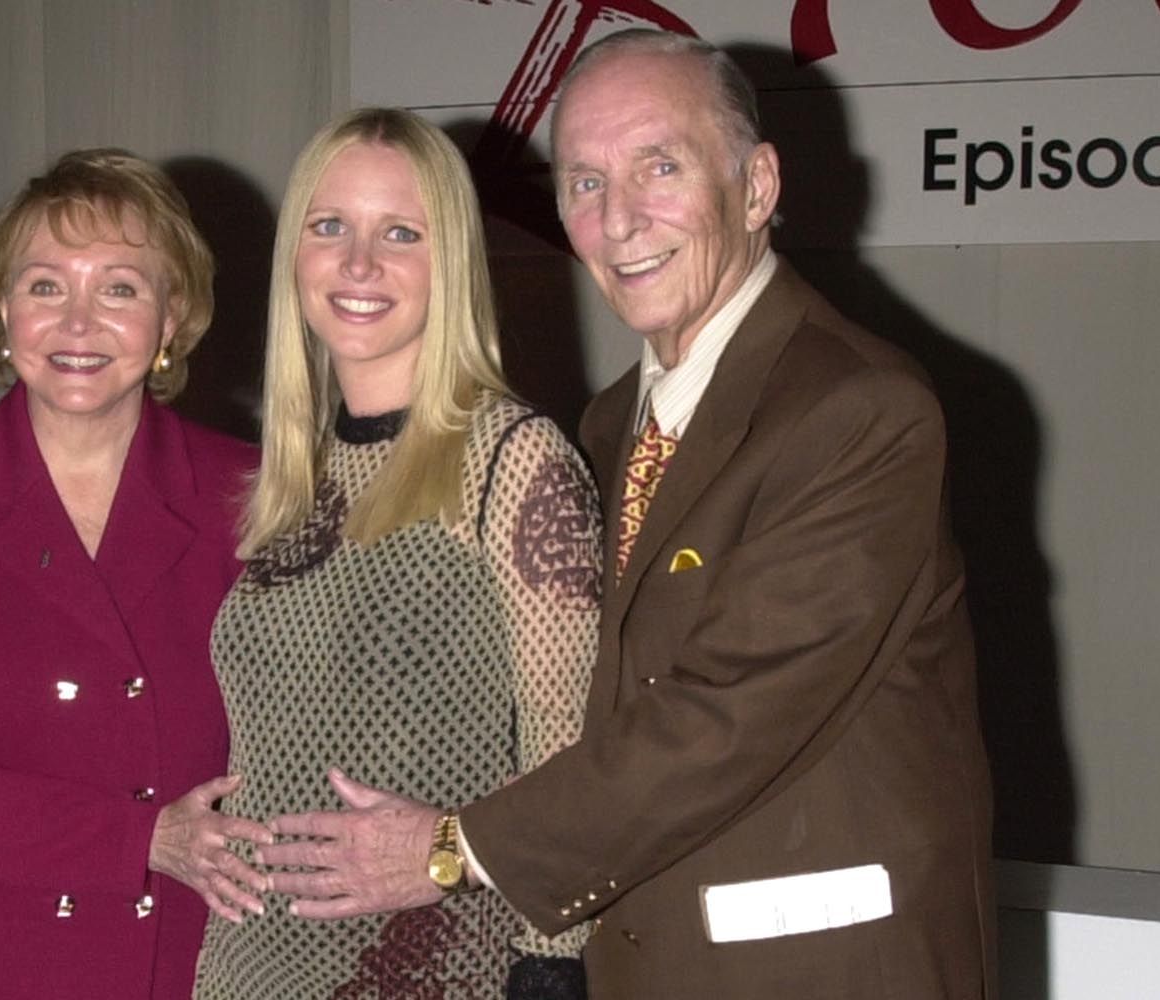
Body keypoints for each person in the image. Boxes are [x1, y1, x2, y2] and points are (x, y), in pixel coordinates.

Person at [260, 30, 998, 1000]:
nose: (621, 219)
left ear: (759, 185)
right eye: (583, 183)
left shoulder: (857, 410)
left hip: (820, 970)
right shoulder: (612, 422)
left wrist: (448, 849)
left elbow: (723, 717)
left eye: (661, 166)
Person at [186, 107, 602, 998]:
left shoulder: (511, 459)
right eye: (329, 225)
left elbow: (571, 761)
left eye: (400, 233)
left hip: (442, 970)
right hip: (249, 972)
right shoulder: (294, 476)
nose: (359, 263)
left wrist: (549, 962)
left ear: (449, 262)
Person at [0, 149, 272, 999]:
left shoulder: (254, 492)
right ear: (2, 311)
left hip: (193, 963)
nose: (78, 322)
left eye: (119, 287)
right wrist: (139, 840)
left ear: (172, 317)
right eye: (46, 286)